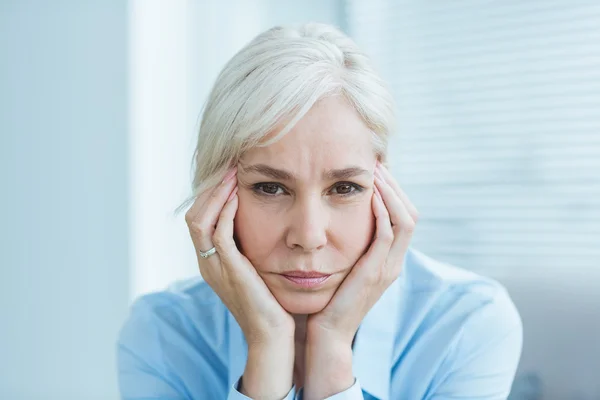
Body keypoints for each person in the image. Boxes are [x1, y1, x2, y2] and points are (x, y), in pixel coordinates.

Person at [116, 23, 523, 400]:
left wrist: (331, 349)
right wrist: (267, 344)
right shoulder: (162, 333)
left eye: (344, 188)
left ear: (384, 191)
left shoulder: (467, 324)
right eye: (270, 187)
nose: (308, 235)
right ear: (214, 196)